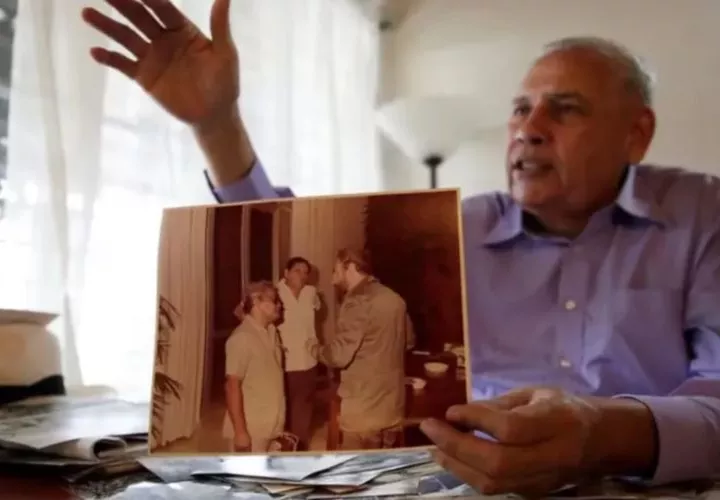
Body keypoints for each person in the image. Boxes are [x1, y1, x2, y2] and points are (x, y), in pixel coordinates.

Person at [81, 0, 720, 495]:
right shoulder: (458, 227)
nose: (527, 129)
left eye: (565, 109)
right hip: (461, 481)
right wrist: (217, 126)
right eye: (520, 110)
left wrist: (603, 434)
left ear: (636, 134)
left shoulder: (701, 214)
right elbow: (294, 246)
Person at [307, 248, 415, 450]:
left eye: (336, 270)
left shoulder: (356, 301)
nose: (332, 279)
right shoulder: (394, 298)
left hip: (363, 410)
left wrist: (314, 349)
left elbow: (338, 356)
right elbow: (409, 342)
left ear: (350, 266)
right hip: (392, 407)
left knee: (357, 467)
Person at [223, 281, 285, 453]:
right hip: (252, 430)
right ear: (257, 302)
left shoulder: (272, 332)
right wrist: (240, 432)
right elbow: (232, 386)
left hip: (272, 427)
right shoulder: (242, 338)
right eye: (274, 300)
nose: (279, 305)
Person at [276, 256, 321, 451]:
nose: (302, 276)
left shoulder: (311, 293)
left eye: (305, 272)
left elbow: (317, 310)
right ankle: (282, 446)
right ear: (286, 273)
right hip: (284, 362)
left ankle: (300, 447)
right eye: (297, 271)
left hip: (308, 360)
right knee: (283, 407)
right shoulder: (274, 293)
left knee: (304, 406)